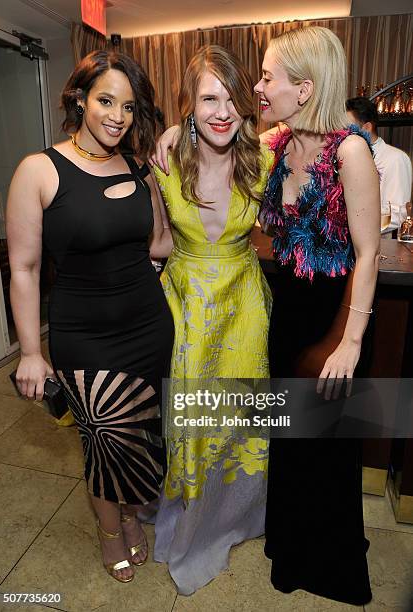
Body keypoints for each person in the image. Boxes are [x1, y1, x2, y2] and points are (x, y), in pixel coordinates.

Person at [6, 50, 174, 583]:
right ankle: (112, 531)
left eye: (128, 106)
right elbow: (25, 269)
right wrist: (32, 352)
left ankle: (131, 513)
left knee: (142, 436)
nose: (117, 116)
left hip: (148, 326)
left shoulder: (135, 165)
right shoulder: (39, 169)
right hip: (85, 336)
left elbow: (159, 244)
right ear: (79, 98)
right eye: (106, 100)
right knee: (104, 440)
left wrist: (161, 184)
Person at [255, 27, 380, 605]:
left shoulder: (349, 150)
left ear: (303, 88)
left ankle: (329, 565)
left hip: (336, 318)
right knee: (292, 439)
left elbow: (368, 252)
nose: (259, 87)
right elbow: (216, 138)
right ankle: (291, 547)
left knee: (326, 448)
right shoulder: (280, 143)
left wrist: (350, 341)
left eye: (267, 77)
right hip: (290, 316)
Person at [151, 45, 273, 595]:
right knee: (193, 417)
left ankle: (238, 514)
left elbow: (325, 129)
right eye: (208, 99)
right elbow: (156, 241)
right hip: (188, 307)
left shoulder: (265, 159)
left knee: (241, 414)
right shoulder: (165, 163)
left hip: (245, 302)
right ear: (188, 106)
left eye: (231, 98)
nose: (222, 111)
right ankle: (193, 510)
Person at [346, 96, 412, 228]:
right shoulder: (341, 157)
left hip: (380, 244)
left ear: (367, 128)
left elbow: (397, 214)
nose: (342, 133)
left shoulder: (395, 158)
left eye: (347, 128)